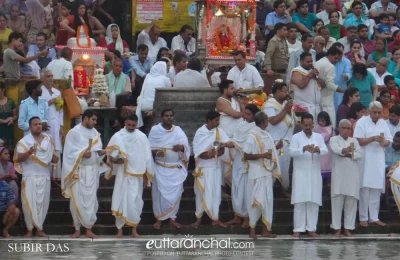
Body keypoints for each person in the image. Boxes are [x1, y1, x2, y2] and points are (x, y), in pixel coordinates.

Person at [62, 110, 108, 238]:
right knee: (77, 200)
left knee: (92, 201)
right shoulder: (74, 133)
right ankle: (77, 229)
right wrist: (81, 154)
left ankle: (88, 228)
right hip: (79, 171)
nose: (95, 122)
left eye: (96, 120)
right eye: (93, 119)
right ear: (85, 118)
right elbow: (68, 153)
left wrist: (102, 152)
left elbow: (97, 151)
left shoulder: (95, 133)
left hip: (93, 172)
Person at [105, 114, 153, 238]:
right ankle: (119, 230)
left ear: (136, 124)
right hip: (123, 174)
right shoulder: (118, 136)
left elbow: (147, 157)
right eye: (129, 125)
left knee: (136, 202)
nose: (131, 127)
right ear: (125, 123)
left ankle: (134, 230)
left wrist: (146, 175)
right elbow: (110, 154)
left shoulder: (142, 137)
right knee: (120, 201)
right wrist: (115, 160)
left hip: (137, 175)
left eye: (133, 125)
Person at [14, 116, 58, 238]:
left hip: (44, 176)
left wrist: (55, 159)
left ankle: (39, 229)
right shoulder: (24, 142)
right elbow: (17, 158)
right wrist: (29, 152)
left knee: (42, 203)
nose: (38, 126)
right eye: (35, 124)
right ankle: (29, 229)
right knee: (29, 203)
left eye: (39, 123)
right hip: (30, 177)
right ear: (30, 127)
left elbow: (53, 157)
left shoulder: (48, 140)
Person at [148, 109, 190, 229]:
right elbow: (148, 147)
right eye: (166, 116)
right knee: (158, 194)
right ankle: (159, 219)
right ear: (161, 117)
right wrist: (156, 152)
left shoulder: (178, 130)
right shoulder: (155, 130)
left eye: (171, 115)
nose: (169, 118)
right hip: (160, 168)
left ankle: (172, 218)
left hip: (175, 169)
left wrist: (181, 147)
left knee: (176, 195)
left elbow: (186, 147)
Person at [353, 101, 392, 227]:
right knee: (364, 189)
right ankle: (363, 217)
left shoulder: (383, 123)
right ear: (369, 111)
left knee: (376, 189)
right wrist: (372, 139)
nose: (377, 115)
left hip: (378, 159)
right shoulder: (361, 122)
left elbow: (389, 141)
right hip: (365, 159)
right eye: (374, 112)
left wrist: (384, 142)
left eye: (379, 113)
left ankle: (374, 217)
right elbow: (358, 140)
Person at [243, 111, 281, 240]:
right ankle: (252, 229)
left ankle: (266, 230)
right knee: (255, 201)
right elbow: (246, 155)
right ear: (264, 122)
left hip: (266, 173)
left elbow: (268, 153)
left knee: (268, 201)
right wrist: (262, 156)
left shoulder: (267, 135)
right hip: (255, 174)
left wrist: (276, 147)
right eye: (267, 120)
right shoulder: (252, 136)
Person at [289, 113, 328, 238]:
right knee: (300, 201)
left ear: (313, 125)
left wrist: (318, 150)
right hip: (300, 173)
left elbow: (325, 150)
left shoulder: (318, 137)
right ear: (301, 125)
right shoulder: (296, 137)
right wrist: (303, 149)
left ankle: (311, 228)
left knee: (313, 201)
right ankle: (298, 229)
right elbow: (291, 152)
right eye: (305, 125)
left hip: (314, 173)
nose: (307, 127)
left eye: (310, 125)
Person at [191, 111, 229, 228]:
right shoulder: (200, 132)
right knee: (201, 193)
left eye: (219, 120)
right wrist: (210, 154)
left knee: (215, 193)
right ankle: (198, 219)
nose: (218, 122)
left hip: (215, 167)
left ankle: (215, 218)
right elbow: (198, 153)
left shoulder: (219, 132)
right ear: (209, 121)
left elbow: (225, 147)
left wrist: (221, 148)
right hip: (203, 168)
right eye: (216, 120)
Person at [225, 104, 259, 227]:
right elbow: (236, 140)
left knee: (246, 190)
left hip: (249, 162)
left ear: (255, 115)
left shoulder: (255, 128)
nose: (246, 116)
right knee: (236, 187)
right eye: (245, 113)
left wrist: (231, 143)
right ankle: (237, 215)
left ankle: (247, 217)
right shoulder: (240, 125)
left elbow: (243, 143)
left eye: (249, 114)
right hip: (239, 160)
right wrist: (228, 144)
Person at [329, 119, 361, 237]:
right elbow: (336, 150)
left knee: (351, 202)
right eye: (344, 128)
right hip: (338, 176)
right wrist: (345, 152)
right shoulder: (334, 139)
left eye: (348, 128)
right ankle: (337, 228)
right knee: (337, 203)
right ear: (339, 128)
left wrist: (348, 154)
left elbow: (359, 154)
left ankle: (348, 228)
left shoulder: (354, 141)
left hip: (352, 176)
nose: (346, 131)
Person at [264, 81, 294, 196]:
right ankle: (271, 190)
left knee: (284, 166)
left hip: (286, 139)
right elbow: (273, 121)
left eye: (287, 91)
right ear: (276, 92)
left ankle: (283, 188)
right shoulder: (269, 104)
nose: (286, 93)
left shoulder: (285, 103)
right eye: (284, 91)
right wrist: (286, 109)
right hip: (276, 141)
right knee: (276, 165)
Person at [40, 69, 63, 181]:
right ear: (43, 78)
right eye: (48, 76)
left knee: (56, 146)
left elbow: (60, 110)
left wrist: (61, 126)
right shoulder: (40, 91)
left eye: (51, 76)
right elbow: (39, 107)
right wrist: (49, 102)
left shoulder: (57, 92)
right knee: (46, 146)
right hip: (45, 123)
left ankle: (57, 175)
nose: (50, 78)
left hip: (56, 123)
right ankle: (47, 174)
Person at [314, 46, 345, 128]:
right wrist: (342, 90)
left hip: (317, 98)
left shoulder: (318, 62)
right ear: (330, 55)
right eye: (336, 58)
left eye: (339, 59)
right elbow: (330, 85)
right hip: (327, 100)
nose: (337, 61)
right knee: (330, 125)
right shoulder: (330, 67)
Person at [136, 61, 171, 131]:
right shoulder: (165, 79)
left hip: (143, 104)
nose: (168, 69)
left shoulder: (148, 76)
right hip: (156, 106)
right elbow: (169, 94)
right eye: (166, 67)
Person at [290, 52, 321, 122]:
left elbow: (323, 85)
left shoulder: (313, 71)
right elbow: (301, 85)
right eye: (308, 62)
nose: (310, 63)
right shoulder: (296, 71)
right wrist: (310, 75)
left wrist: (316, 77)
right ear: (301, 61)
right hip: (303, 107)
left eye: (311, 61)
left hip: (315, 107)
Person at [314, 111, 333, 184]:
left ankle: (326, 188)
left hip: (326, 152)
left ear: (327, 120)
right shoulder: (315, 128)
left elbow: (323, 138)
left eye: (323, 120)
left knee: (326, 169)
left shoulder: (329, 129)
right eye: (319, 120)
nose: (320, 122)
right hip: (317, 151)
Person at [332, 42, 352, 112]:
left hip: (341, 89)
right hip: (330, 89)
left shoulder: (346, 61)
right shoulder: (328, 59)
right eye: (338, 52)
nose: (340, 53)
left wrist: (347, 76)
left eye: (341, 51)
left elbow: (349, 72)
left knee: (340, 109)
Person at [0, 82, 17, 148]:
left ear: (3, 90)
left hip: (8, 129)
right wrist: (5, 121)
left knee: (9, 151)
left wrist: (12, 119)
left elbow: (15, 115)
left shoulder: (11, 101)